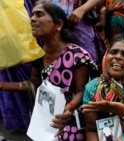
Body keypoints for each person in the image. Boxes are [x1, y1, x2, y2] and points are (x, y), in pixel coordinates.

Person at [0, 2, 98, 141]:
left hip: (71, 121)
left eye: (39, 15)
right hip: (46, 122)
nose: (32, 19)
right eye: (32, 15)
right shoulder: (39, 55)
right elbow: (34, 83)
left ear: (58, 25)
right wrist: (3, 86)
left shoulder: (76, 55)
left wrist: (69, 108)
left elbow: (83, 90)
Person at [40, 0, 105, 76]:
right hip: (54, 23)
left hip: (79, 23)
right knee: (54, 59)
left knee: (83, 61)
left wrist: (82, 9)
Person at [0, 0, 37, 132]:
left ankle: (39, 120)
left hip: (19, 26)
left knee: (32, 73)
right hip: (4, 35)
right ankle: (22, 121)